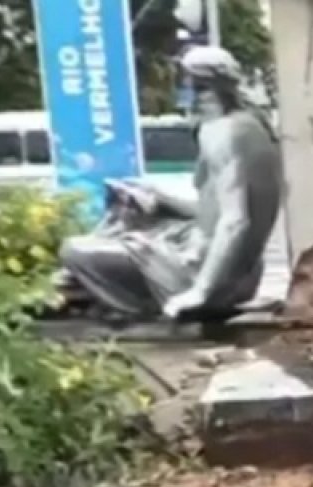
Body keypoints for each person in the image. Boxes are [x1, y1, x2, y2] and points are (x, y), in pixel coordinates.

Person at [57, 46, 282, 322]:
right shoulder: (253, 124)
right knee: (130, 223)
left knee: (76, 249)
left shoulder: (222, 133)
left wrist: (200, 291)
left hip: (199, 273)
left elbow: (236, 221)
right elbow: (214, 213)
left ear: (196, 84)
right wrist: (162, 201)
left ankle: (137, 306)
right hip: (238, 276)